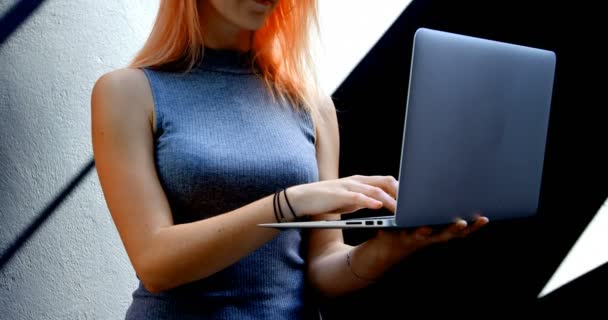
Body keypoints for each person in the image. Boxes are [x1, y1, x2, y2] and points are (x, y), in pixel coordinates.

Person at [91, 0, 489, 318]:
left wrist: (393, 247)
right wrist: (289, 203)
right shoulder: (127, 92)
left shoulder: (311, 105)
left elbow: (322, 268)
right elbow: (155, 264)